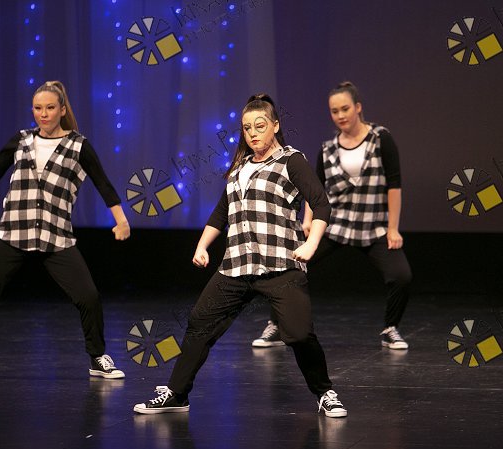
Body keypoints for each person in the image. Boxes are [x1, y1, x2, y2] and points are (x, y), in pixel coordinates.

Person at [133, 94, 347, 418]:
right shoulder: (240, 167)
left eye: (260, 126)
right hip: (237, 266)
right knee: (199, 322)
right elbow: (222, 212)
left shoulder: (291, 161)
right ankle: (177, 394)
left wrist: (312, 243)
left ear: (275, 126)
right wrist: (202, 246)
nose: (253, 133)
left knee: (300, 333)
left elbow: (321, 204)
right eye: (247, 128)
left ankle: (325, 392)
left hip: (280, 264)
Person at [0, 81, 131, 379]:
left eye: (50, 108)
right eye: (37, 108)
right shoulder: (20, 140)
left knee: (89, 297)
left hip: (55, 236)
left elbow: (103, 183)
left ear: (62, 110)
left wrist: (121, 220)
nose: (43, 114)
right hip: (13, 233)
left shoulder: (78, 146)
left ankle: (97, 358)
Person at [252, 81, 412, 351]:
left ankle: (390, 328)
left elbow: (394, 185)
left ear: (358, 107)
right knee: (291, 267)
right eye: (334, 111)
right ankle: (277, 325)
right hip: (335, 227)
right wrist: (307, 221)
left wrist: (393, 228)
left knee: (401, 276)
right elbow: (314, 191)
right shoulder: (327, 149)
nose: (340, 115)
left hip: (373, 227)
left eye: (345, 109)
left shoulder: (381, 138)